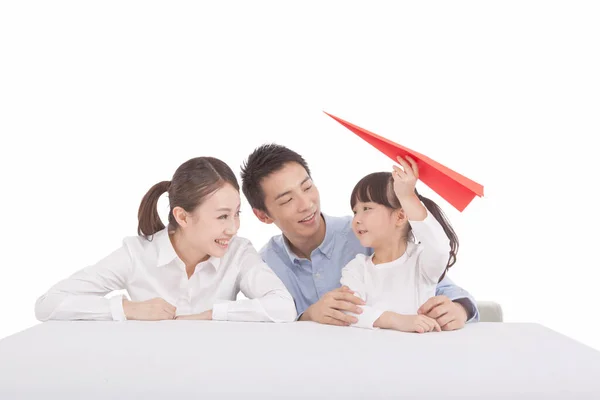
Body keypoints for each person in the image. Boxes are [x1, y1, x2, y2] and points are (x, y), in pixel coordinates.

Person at [240, 144, 479, 331]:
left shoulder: (367, 233)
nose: (306, 204)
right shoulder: (264, 267)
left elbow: (438, 283)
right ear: (263, 216)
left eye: (307, 187)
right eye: (287, 200)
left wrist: (459, 309)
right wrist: (309, 315)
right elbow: (268, 331)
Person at [35, 156, 297, 323]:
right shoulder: (136, 254)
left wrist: (210, 315)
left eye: (236, 214)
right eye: (222, 217)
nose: (233, 228)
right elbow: (48, 305)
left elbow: (283, 307)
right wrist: (128, 309)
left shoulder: (239, 253)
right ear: (182, 217)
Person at [340, 156, 457, 333]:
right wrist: (398, 320)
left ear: (401, 216)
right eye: (355, 211)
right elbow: (349, 310)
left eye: (367, 209)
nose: (356, 219)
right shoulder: (356, 268)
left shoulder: (420, 263)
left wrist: (407, 196)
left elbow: (440, 247)